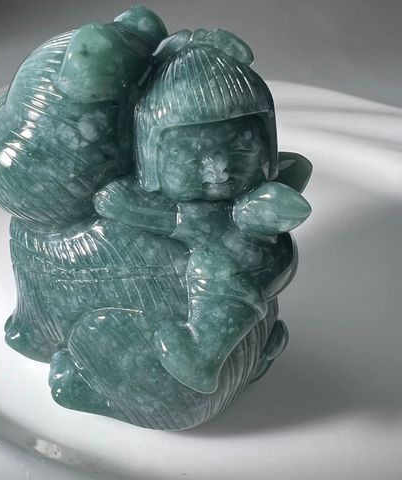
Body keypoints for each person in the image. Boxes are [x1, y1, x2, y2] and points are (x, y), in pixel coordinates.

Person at [95, 29, 312, 393]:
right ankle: (261, 346)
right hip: (252, 273)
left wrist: (126, 207)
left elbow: (176, 221)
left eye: (241, 150)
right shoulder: (197, 201)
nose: (219, 171)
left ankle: (202, 356)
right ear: (151, 161)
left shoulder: (230, 210)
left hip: (251, 266)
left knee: (212, 266)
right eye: (190, 157)